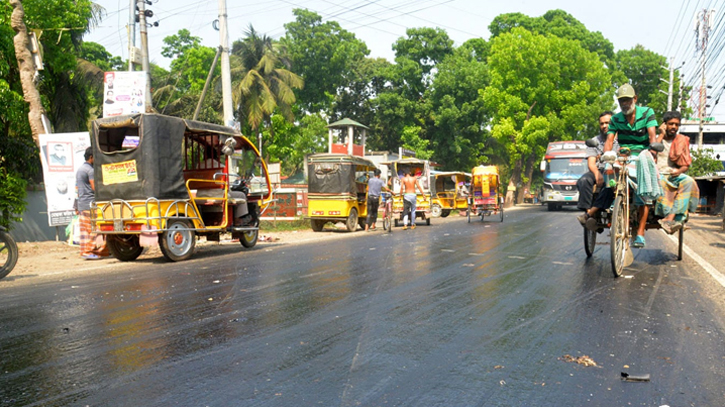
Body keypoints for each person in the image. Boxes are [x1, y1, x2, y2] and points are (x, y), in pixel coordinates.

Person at [605, 83, 659, 248]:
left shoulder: (647, 113)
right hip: (624, 155)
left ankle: (640, 234)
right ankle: (618, 197)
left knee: (643, 194)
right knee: (610, 166)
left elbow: (652, 136)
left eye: (628, 100)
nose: (625, 104)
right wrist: (608, 156)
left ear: (635, 99)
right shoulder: (615, 119)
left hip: (643, 154)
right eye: (622, 101)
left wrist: (653, 153)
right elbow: (609, 140)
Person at [654, 111, 700, 234]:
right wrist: (661, 134)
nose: (674, 127)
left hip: (673, 174)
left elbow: (686, 164)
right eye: (671, 124)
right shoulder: (657, 138)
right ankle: (670, 217)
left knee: (689, 181)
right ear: (664, 125)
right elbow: (652, 152)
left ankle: (672, 218)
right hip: (657, 174)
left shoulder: (681, 140)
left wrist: (679, 171)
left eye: (676, 124)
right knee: (662, 183)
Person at [576, 111, 618, 229]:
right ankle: (590, 217)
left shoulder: (621, 140)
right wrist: (597, 173)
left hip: (616, 171)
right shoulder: (595, 141)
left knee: (610, 185)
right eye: (602, 124)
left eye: (607, 123)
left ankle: (589, 214)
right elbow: (591, 163)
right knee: (583, 181)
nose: (604, 126)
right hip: (599, 170)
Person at [76, 147, 109, 260]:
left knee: (85, 231)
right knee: (93, 229)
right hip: (91, 204)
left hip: (82, 204)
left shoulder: (80, 169)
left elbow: (77, 188)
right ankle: (89, 251)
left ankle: (85, 251)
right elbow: (95, 187)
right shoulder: (90, 170)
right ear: (91, 157)